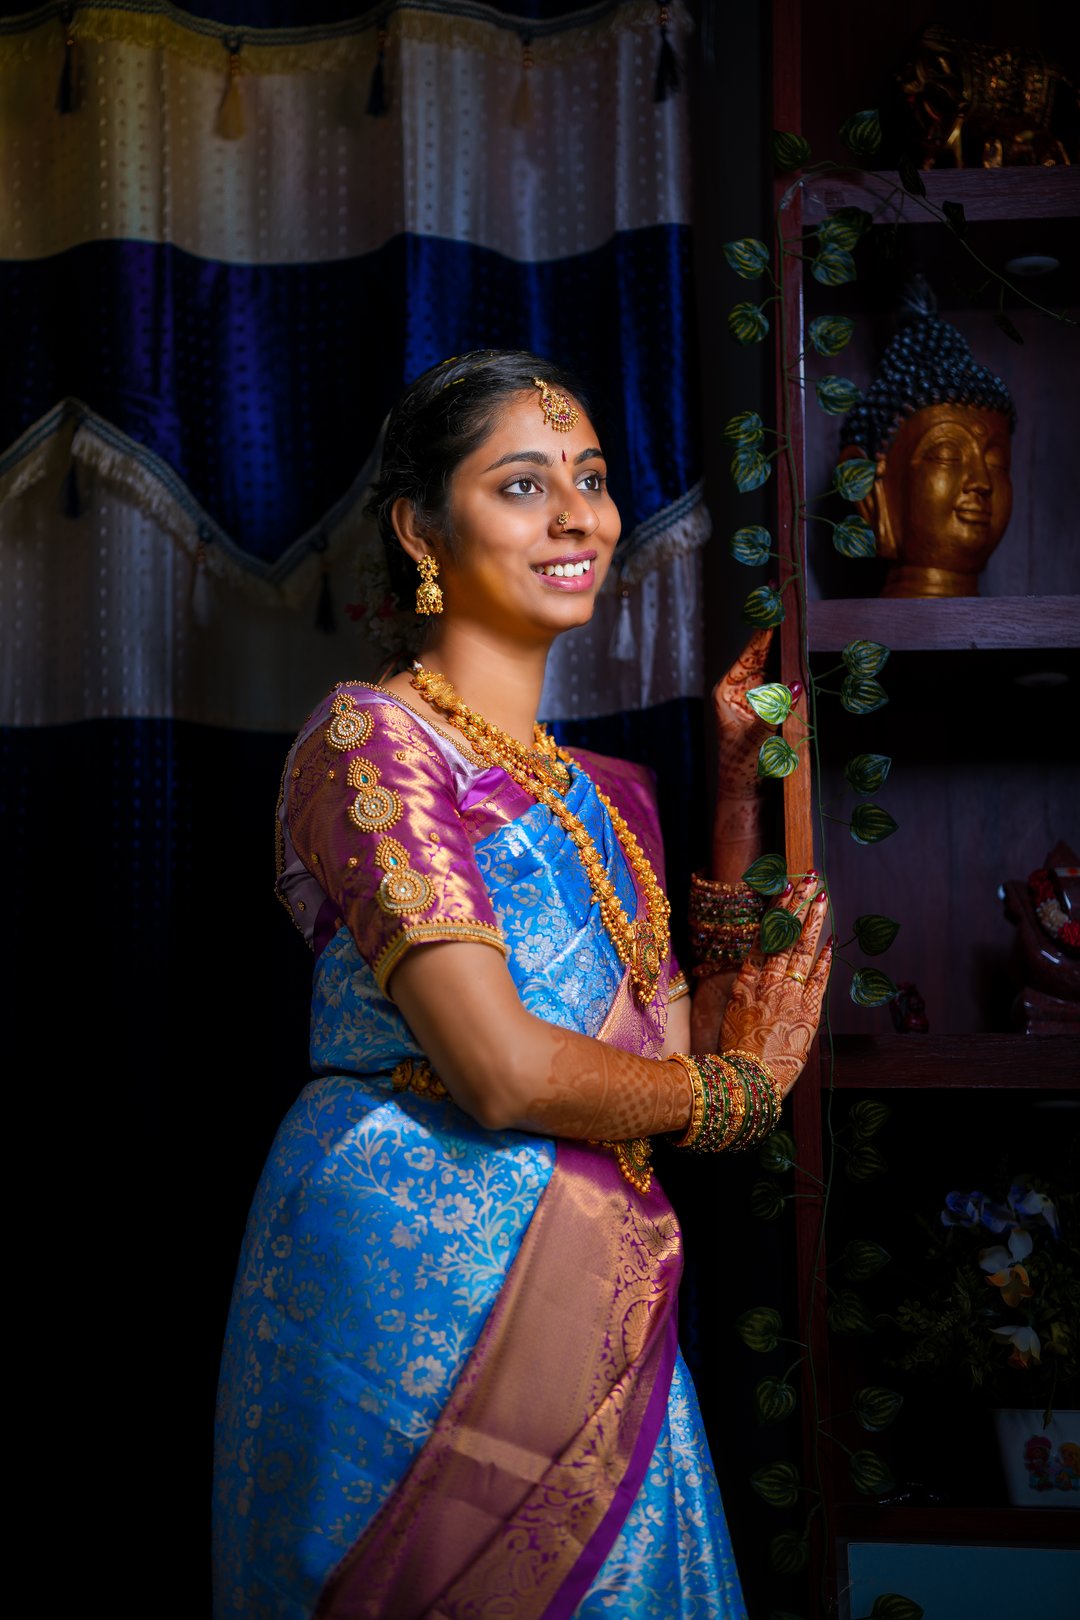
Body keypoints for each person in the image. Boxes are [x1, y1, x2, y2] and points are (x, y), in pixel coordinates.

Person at [212, 350, 832, 1619]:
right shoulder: (373, 742)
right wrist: (731, 1094)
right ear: (420, 530)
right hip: (410, 1287)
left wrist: (734, 792)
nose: (577, 518)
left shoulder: (610, 795)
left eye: (592, 480)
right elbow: (499, 1070)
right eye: (522, 484)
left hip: (598, 1286)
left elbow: (667, 1054)